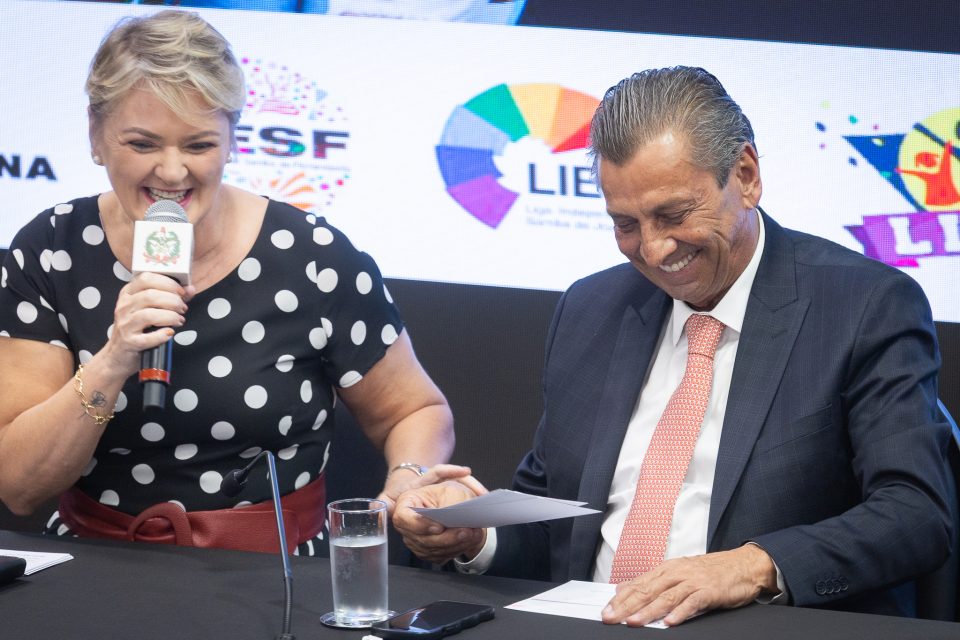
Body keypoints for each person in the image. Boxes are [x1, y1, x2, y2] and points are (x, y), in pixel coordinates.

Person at [393, 66, 954, 624]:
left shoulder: (863, 306)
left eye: (674, 215)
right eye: (625, 224)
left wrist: (752, 566)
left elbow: (916, 514)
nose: (654, 250)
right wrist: (477, 534)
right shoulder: (591, 309)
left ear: (746, 175)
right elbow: (555, 532)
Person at [0, 10, 474, 555]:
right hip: (94, 567)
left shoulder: (312, 256)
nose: (172, 172)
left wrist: (407, 482)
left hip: (275, 574)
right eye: (143, 144)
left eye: (198, 145)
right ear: (96, 135)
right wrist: (113, 359)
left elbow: (414, 410)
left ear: (231, 139)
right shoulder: (52, 248)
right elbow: (19, 487)